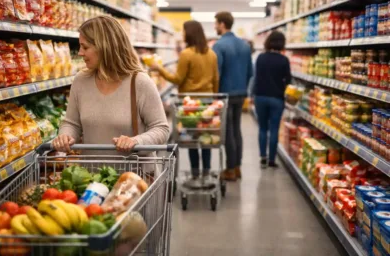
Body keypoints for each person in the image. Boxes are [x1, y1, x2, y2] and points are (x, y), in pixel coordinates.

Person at [52, 15, 169, 166]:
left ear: (104, 47)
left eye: (85, 47)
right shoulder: (81, 81)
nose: (80, 53)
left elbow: (161, 129)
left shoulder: (139, 82)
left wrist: (136, 141)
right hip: (91, 179)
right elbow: (72, 123)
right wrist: (65, 136)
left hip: (132, 180)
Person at [150, 20, 219, 187]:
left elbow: (177, 79)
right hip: (207, 102)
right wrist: (213, 98)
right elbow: (216, 79)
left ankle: (195, 175)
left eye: (184, 31)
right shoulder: (211, 54)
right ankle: (206, 173)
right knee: (205, 138)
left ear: (190, 33)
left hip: (190, 103)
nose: (182, 34)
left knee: (192, 140)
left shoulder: (187, 54)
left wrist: (159, 69)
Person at [213, 11, 252, 181]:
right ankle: (237, 167)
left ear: (222, 24)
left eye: (216, 23)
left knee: (228, 131)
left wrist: (214, 95)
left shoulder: (219, 46)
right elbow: (251, 72)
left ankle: (229, 169)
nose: (215, 26)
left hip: (225, 94)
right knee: (237, 129)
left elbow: (217, 74)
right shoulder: (245, 45)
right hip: (241, 92)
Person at [252, 31, 291, 168]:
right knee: (274, 129)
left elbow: (256, 78)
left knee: (263, 128)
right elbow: (288, 81)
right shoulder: (284, 60)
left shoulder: (261, 57)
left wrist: (252, 95)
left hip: (260, 96)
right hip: (277, 98)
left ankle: (263, 157)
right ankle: (272, 160)